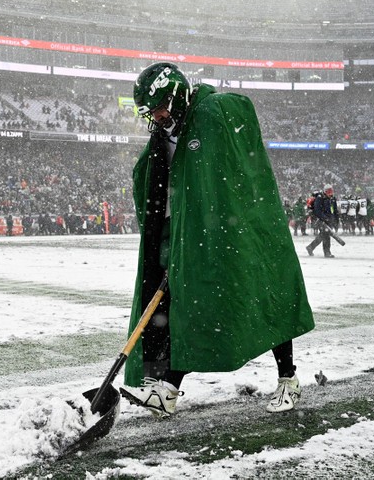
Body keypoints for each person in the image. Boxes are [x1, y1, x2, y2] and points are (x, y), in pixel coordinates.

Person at [120, 62, 314, 419]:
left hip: (238, 232)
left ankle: (289, 378)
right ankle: (168, 389)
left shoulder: (212, 112)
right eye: (150, 113)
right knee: (186, 307)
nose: (156, 117)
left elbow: (238, 127)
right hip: (192, 238)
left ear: (177, 96)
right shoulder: (164, 135)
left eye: (158, 108)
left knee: (262, 296)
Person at [306, 184, 338, 258]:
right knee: (326, 235)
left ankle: (310, 247)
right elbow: (317, 211)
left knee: (322, 235)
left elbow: (335, 210)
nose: (330, 193)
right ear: (325, 191)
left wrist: (336, 220)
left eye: (331, 191)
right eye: (328, 191)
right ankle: (327, 252)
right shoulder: (320, 198)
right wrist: (324, 218)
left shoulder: (332, 199)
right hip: (319, 220)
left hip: (328, 220)